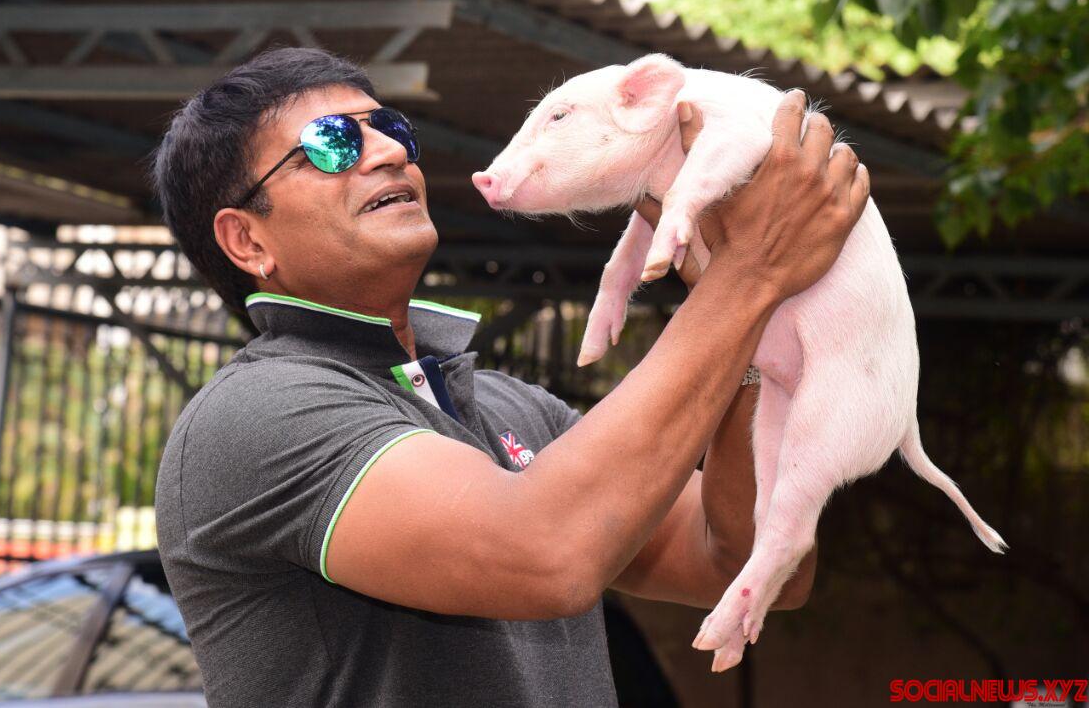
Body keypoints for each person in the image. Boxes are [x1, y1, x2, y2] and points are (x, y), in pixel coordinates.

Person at [150, 47, 868, 706]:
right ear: (246, 239)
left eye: (390, 128)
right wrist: (747, 278)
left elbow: (745, 565)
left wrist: (748, 331)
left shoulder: (509, 406)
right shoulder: (256, 415)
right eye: (332, 143)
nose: (389, 153)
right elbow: (549, 555)